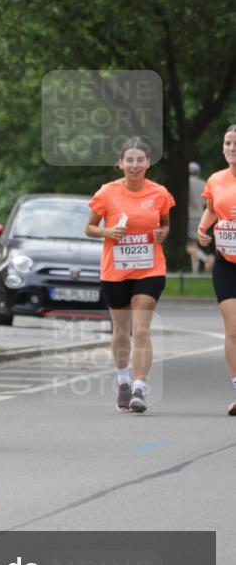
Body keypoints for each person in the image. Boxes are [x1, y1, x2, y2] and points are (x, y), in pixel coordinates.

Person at [85, 136, 175, 414]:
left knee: (142, 328)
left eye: (140, 160)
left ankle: (139, 387)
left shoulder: (159, 193)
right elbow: (89, 228)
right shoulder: (106, 193)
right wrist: (108, 232)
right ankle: (123, 380)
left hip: (150, 267)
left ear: (148, 163)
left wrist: (162, 233)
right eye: (130, 160)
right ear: (120, 163)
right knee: (122, 331)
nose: (135, 165)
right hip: (115, 271)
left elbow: (165, 225)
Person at [196, 124, 236, 416]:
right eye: (229, 143)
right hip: (226, 262)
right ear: (223, 148)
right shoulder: (215, 180)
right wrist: (202, 227)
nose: (233, 148)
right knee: (233, 328)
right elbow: (211, 208)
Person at [186, 162, 214, 274]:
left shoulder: (187, 183)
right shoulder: (204, 183)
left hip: (190, 217)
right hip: (202, 216)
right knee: (195, 245)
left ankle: (206, 258)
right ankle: (195, 272)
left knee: (189, 246)